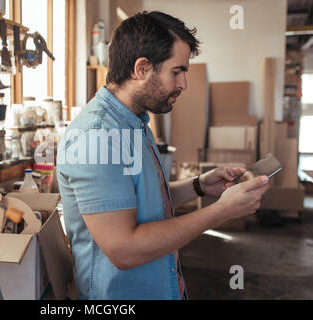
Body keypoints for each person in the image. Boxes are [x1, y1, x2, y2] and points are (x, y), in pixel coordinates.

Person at [56, 11, 269, 300]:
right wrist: (222, 211)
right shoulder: (97, 138)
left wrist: (199, 186)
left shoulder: (135, 121)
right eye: (176, 71)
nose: (184, 84)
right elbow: (124, 249)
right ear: (142, 68)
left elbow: (138, 200)